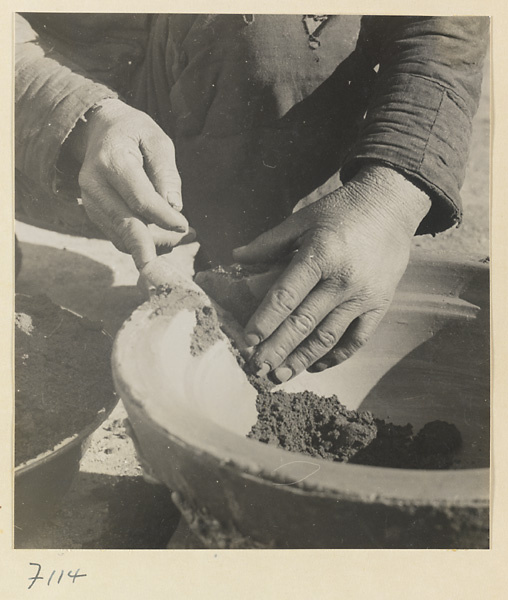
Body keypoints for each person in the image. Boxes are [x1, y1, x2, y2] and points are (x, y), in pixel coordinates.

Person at [15, 14, 489, 383]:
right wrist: (76, 114)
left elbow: (445, 21)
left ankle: (240, 288)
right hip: (37, 120)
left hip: (231, 98)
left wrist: (390, 196)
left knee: (281, 33)